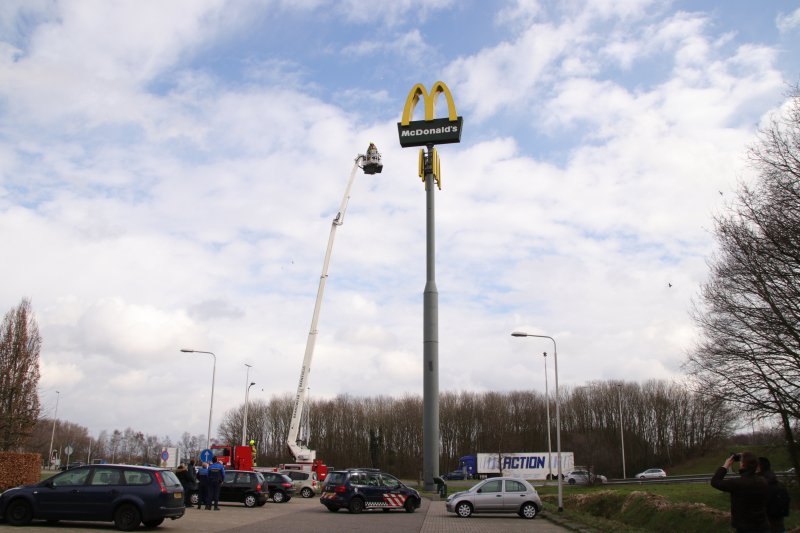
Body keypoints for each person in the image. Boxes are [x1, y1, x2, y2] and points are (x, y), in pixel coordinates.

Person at [711, 451, 770, 533]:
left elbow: (715, 482)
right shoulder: (763, 481)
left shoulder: (737, 483)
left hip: (745, 527)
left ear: (742, 465)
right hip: (763, 526)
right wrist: (749, 457)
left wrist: (725, 466)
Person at [758, 457, 791, 533]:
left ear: (758, 469)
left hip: (764, 528)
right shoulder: (777, 483)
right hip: (779, 528)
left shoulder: (759, 485)